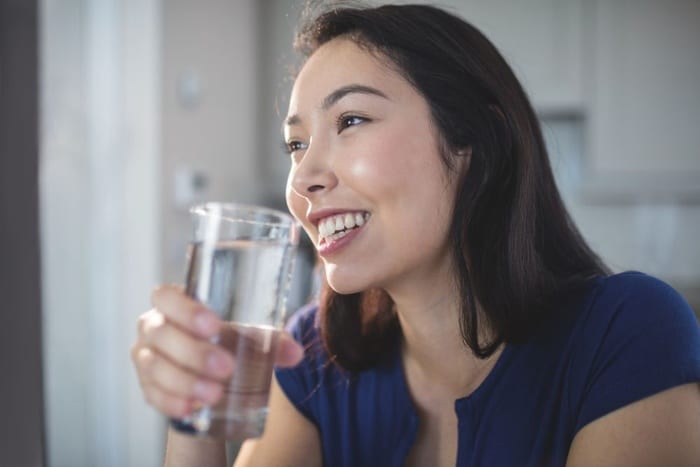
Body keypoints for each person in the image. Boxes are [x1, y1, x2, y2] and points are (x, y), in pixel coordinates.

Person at [131, 3, 700, 466]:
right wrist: (194, 417)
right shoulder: (310, 356)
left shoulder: (626, 333)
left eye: (350, 121)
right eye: (296, 145)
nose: (302, 177)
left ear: (474, 142)